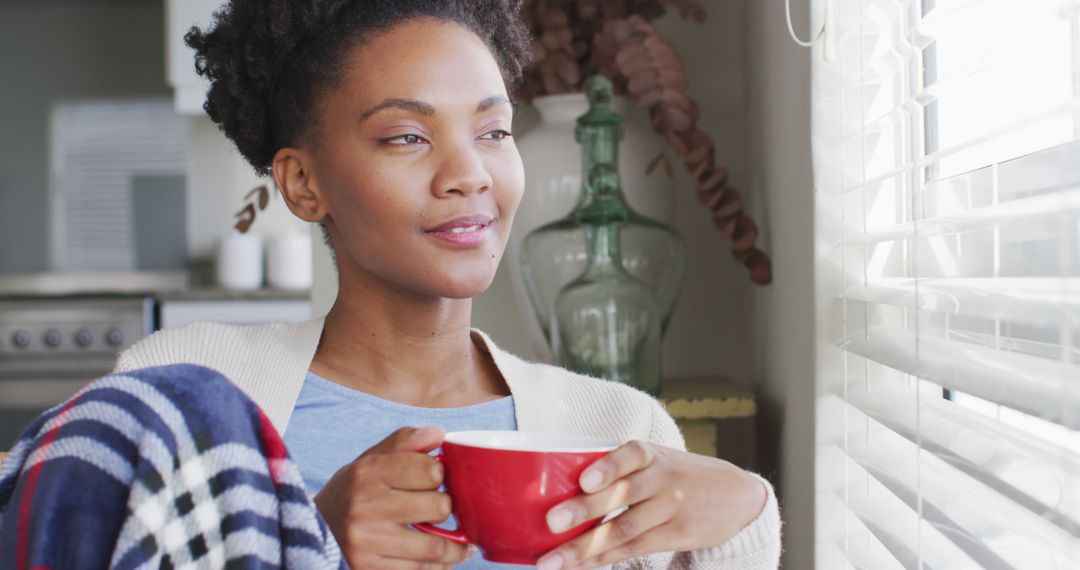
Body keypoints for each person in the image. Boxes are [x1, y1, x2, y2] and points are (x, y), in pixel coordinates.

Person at [10, 1, 782, 568]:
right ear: (304, 183)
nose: (469, 174)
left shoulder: (616, 422)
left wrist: (744, 519)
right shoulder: (193, 387)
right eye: (407, 137)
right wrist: (307, 536)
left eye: (493, 131)